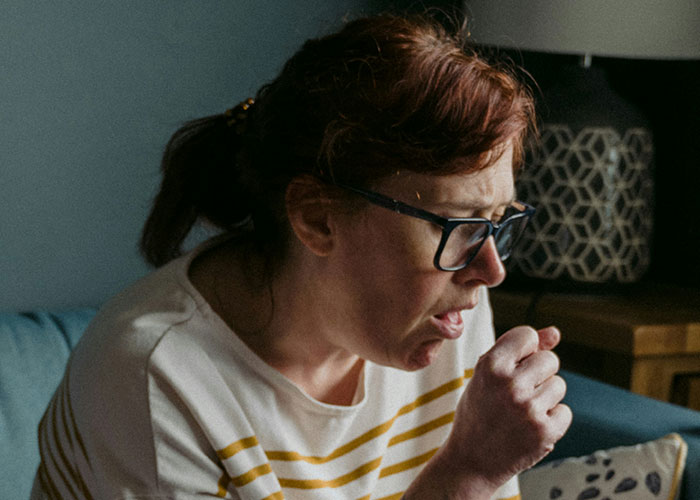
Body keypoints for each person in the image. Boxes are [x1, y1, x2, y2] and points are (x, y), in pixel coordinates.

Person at [32, 12, 571, 500]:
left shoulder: (446, 316)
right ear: (317, 217)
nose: (490, 270)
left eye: (497, 223)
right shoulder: (156, 379)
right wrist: (470, 472)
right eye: (459, 226)